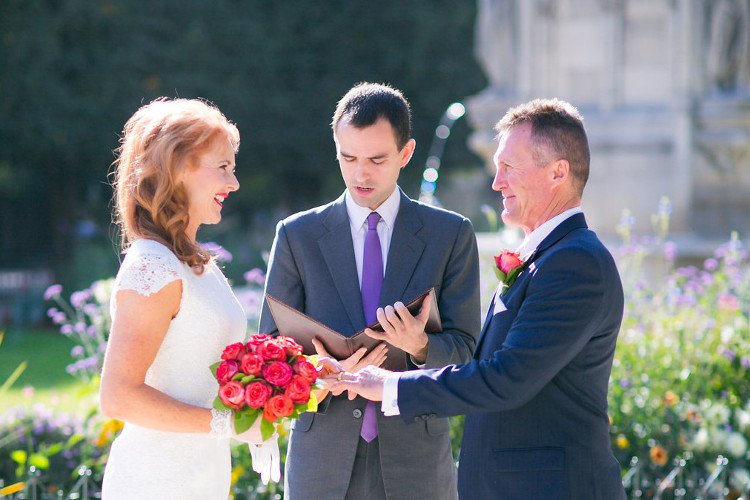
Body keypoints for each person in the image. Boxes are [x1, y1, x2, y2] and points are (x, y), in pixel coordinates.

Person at [329, 98, 627, 499]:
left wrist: (391, 386)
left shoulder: (575, 263)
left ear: (558, 172)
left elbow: (507, 379)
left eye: (510, 168)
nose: (496, 182)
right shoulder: (548, 257)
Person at [258, 82, 481, 499]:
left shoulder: (450, 235)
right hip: (321, 462)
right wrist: (316, 372)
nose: (361, 173)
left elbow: (469, 351)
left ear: (406, 154)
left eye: (377, 159)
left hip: (417, 464)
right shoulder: (296, 235)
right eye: (348, 157)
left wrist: (420, 347)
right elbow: (270, 349)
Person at [100, 97, 261, 498]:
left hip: (202, 480)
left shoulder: (196, 265)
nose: (234, 184)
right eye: (223, 168)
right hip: (156, 483)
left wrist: (304, 377)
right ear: (177, 168)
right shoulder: (153, 267)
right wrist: (228, 424)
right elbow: (118, 396)